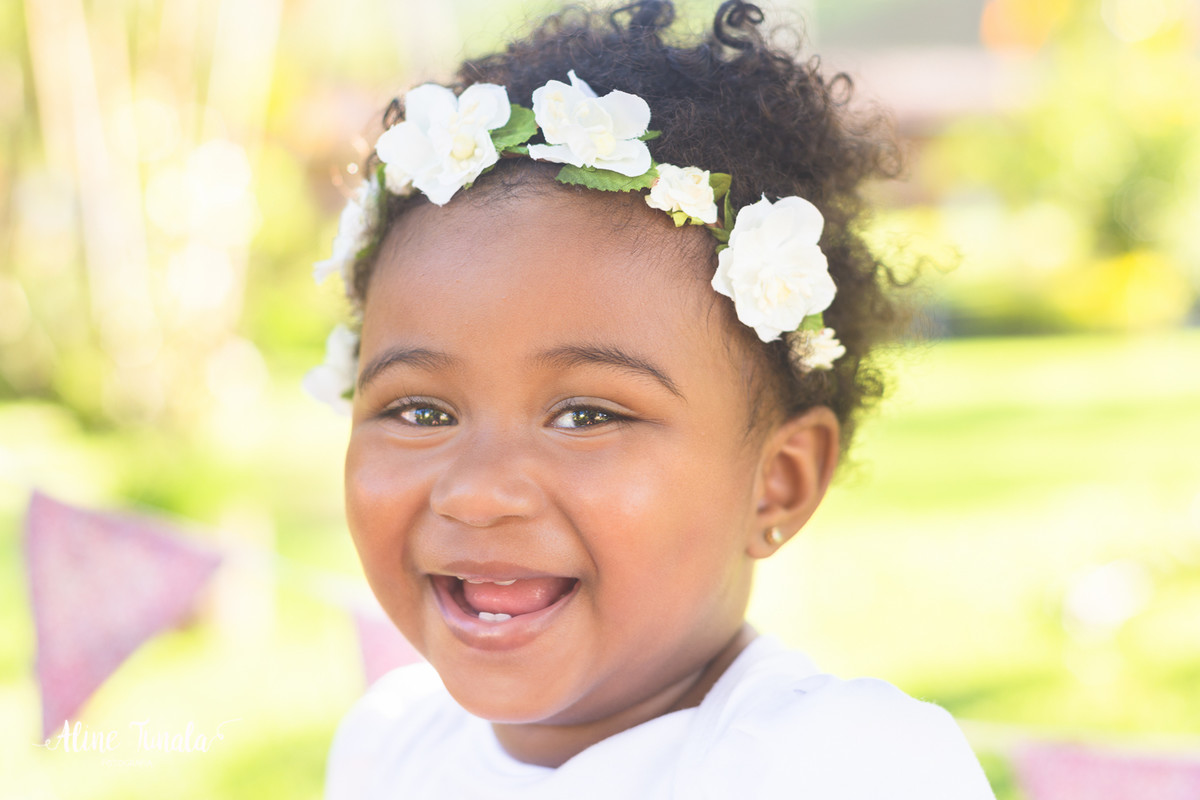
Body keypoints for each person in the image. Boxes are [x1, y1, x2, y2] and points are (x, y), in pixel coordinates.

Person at [310, 1, 997, 796]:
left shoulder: (838, 766)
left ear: (779, 481)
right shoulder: (390, 747)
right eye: (421, 411)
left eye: (587, 415)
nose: (477, 492)